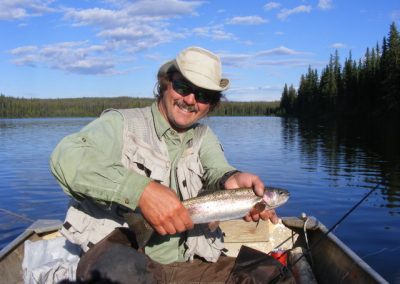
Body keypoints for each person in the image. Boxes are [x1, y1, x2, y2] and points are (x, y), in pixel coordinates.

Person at [50, 46, 287, 283]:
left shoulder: (204, 137)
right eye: (183, 87)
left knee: (271, 273)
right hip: (128, 258)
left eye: (203, 95)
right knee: (116, 273)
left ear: (211, 104)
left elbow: (217, 169)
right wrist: (141, 191)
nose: (190, 100)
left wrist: (230, 178)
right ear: (165, 84)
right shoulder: (121, 124)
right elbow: (65, 158)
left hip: (190, 265)